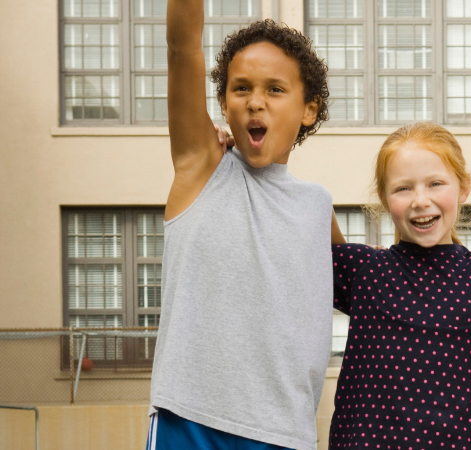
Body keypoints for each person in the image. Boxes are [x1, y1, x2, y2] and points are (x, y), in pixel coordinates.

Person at [146, 1, 334, 448]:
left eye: (274, 90)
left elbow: (369, 286)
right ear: (223, 103)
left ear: (309, 109)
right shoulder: (201, 167)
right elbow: (181, 47)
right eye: (241, 88)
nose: (254, 101)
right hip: (190, 420)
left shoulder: (316, 206)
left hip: (284, 432)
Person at [327, 122, 471, 449]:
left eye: (435, 184)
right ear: (384, 199)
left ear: (463, 188)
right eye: (403, 188)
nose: (420, 200)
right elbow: (303, 216)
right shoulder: (364, 270)